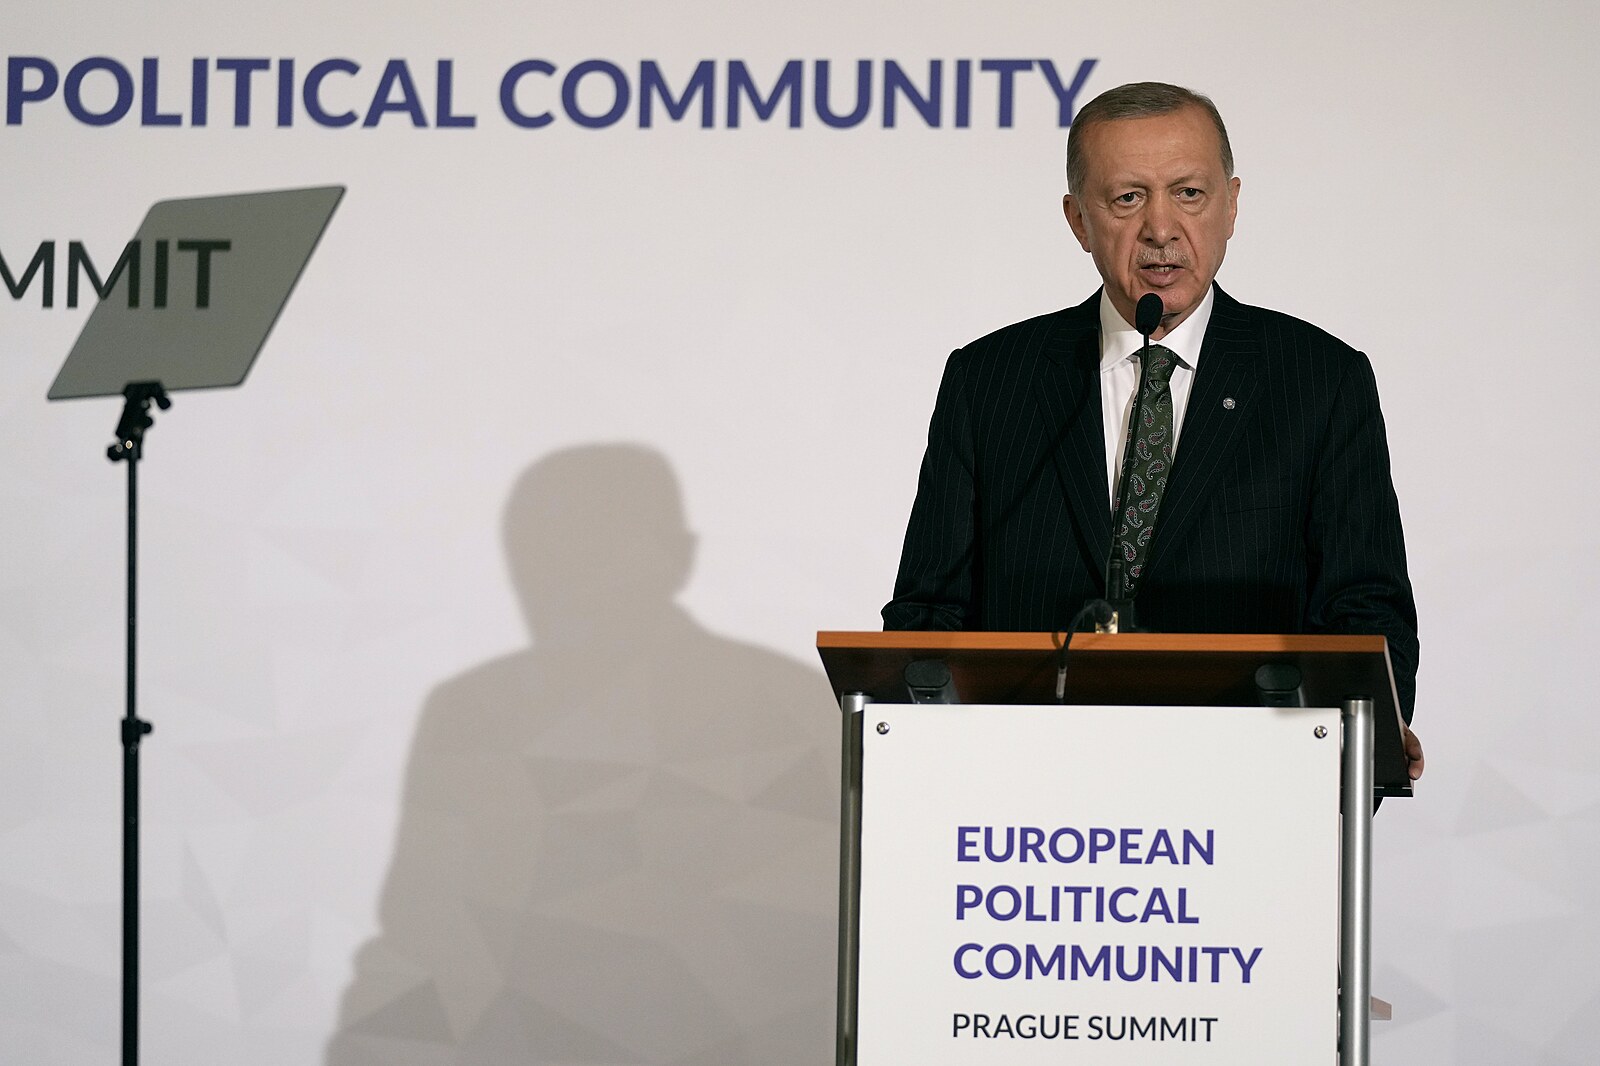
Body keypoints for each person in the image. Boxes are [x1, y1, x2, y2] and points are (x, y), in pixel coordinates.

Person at [883, 82, 1423, 779]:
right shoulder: (990, 381)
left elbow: (1366, 608)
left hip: (1249, 788)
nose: (1161, 229)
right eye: (1128, 198)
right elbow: (930, 615)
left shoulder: (1319, 380)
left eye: (1189, 194)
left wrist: (1365, 740)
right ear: (1079, 220)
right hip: (1025, 795)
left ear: (1232, 205)